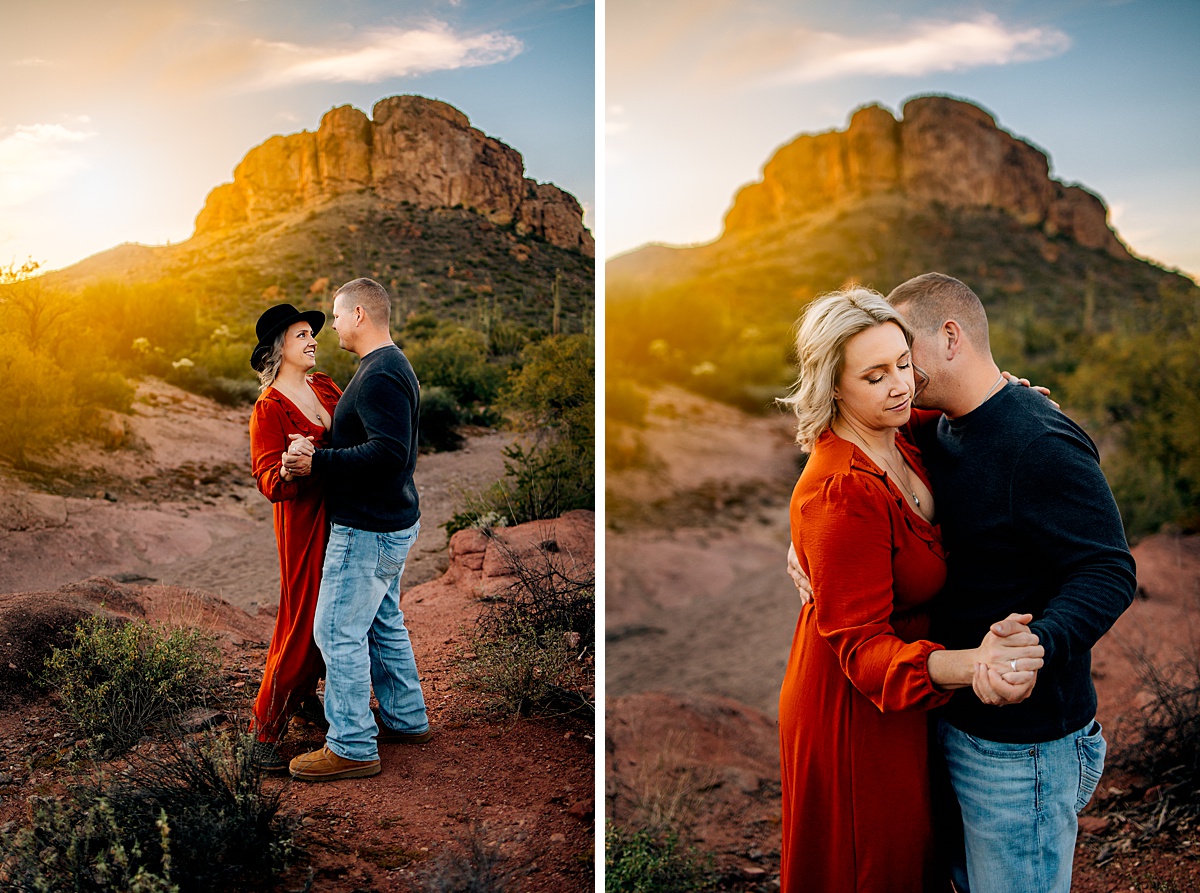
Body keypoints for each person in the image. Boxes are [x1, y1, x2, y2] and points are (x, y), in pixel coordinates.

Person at [777, 287, 1046, 893]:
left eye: (903, 362)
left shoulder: (903, 431)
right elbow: (862, 652)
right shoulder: (841, 492)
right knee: (873, 868)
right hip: (855, 707)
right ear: (832, 387)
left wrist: (1009, 400)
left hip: (906, 700)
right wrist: (974, 664)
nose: (900, 385)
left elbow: (971, 409)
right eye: (875, 376)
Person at [882, 272, 1137, 893]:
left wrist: (1037, 644)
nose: (898, 374)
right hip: (955, 720)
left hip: (1023, 751)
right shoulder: (939, 428)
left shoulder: (1039, 441)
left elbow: (1108, 569)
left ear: (951, 337)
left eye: (904, 352)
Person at [283, 277, 430, 782]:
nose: (333, 325)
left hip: (367, 529)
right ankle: (406, 719)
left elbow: (389, 454)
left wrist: (319, 462)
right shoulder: (388, 365)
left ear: (360, 315)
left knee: (336, 631)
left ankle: (350, 746)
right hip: (390, 520)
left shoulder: (379, 374)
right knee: (383, 622)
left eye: (337, 315)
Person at [247, 303, 342, 771]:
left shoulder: (323, 385)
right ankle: (263, 732)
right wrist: (287, 466)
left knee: (338, 615)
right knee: (304, 621)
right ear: (279, 347)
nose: (313, 340)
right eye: (301, 334)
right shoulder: (269, 408)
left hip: (345, 516)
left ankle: (304, 698)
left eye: (312, 333)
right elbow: (266, 479)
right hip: (304, 524)